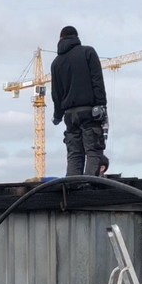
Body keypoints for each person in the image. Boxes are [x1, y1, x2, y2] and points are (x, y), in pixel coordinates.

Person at [49, 25, 107, 177]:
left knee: (74, 155)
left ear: (60, 39)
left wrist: (57, 115)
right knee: (93, 151)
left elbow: (56, 94)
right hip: (89, 112)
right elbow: (97, 81)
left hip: (69, 115)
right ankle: (88, 186)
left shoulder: (56, 63)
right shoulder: (88, 52)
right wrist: (101, 106)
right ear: (76, 37)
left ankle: (73, 190)